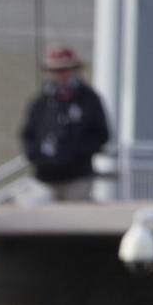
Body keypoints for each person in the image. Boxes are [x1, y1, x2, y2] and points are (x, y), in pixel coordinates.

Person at [19, 47, 109, 202]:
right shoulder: (41, 102)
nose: (61, 74)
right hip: (45, 177)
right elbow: (28, 134)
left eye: (65, 69)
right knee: (42, 218)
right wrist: (37, 156)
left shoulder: (89, 99)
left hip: (77, 177)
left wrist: (74, 153)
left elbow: (101, 135)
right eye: (55, 70)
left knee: (76, 221)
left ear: (74, 70)